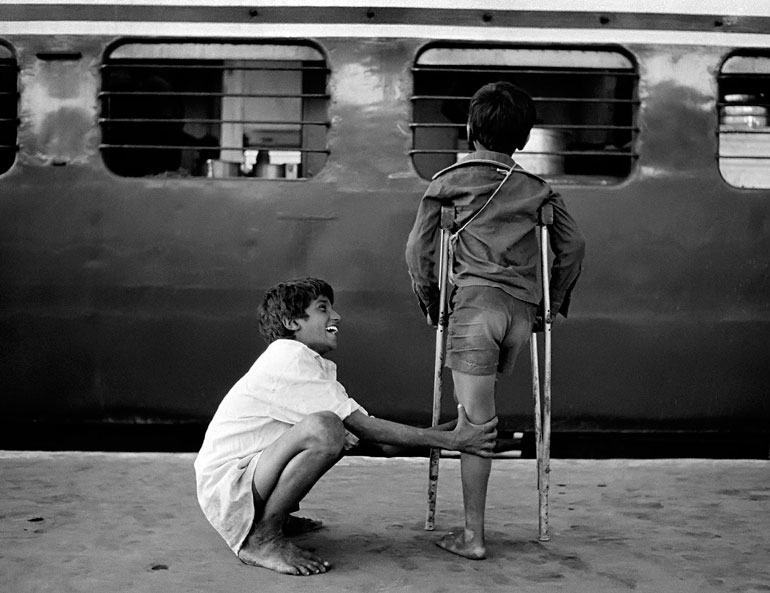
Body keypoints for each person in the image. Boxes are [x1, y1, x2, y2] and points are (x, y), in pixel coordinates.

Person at [194, 277, 497, 576]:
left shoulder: (310, 366)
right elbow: (363, 428)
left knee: (334, 430)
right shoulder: (289, 357)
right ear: (291, 322)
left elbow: (382, 442)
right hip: (228, 488)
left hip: (242, 481)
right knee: (325, 429)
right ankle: (263, 537)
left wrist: (457, 428)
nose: (336, 316)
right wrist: (454, 441)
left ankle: (274, 517)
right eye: (323, 308)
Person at [405, 81, 585, 560]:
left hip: (473, 314)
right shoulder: (539, 189)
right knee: (484, 417)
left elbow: (418, 251)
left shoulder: (447, 183)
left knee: (474, 425)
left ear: (469, 130)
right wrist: (553, 304)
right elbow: (572, 247)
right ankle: (495, 526)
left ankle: (473, 536)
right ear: (523, 139)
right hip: (519, 315)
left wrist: (431, 302)